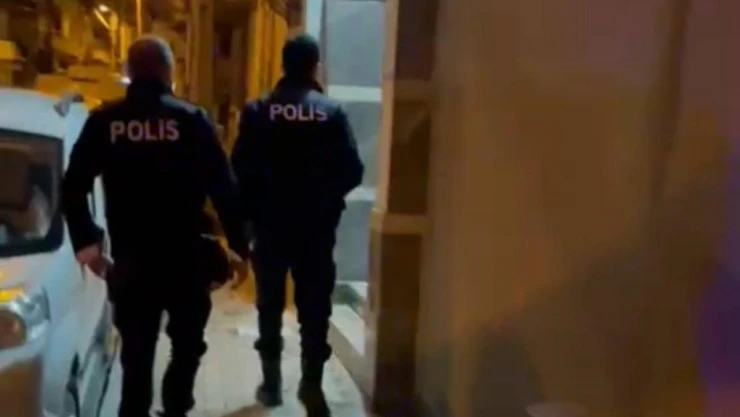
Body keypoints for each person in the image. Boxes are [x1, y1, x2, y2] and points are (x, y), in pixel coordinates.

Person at [61, 35, 250, 417]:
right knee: (186, 349)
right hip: (185, 260)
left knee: (136, 359)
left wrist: (89, 246)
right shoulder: (191, 120)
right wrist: (239, 248)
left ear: (129, 72)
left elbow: (72, 187)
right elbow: (225, 189)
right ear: (168, 73)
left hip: (132, 263)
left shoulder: (105, 121)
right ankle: (176, 408)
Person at [231, 34, 364, 417]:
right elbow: (353, 170)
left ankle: (272, 385)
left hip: (270, 227)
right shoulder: (331, 112)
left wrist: (249, 217)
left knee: (269, 306)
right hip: (315, 229)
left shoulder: (258, 111)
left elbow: (239, 169)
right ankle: (312, 384)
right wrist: (326, 199)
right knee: (315, 308)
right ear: (315, 67)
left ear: (283, 66)